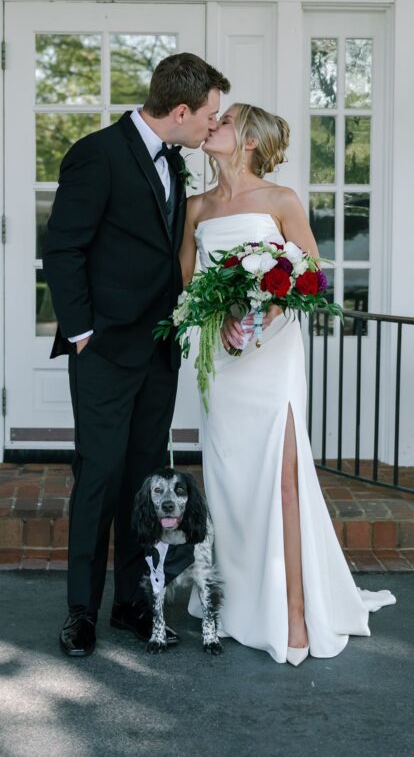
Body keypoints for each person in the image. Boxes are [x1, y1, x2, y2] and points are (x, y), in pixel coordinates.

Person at [179, 103, 395, 666]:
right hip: (222, 360)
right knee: (228, 480)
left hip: (272, 353)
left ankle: (295, 612)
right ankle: (236, 602)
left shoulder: (280, 201)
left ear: (247, 140)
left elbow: (312, 274)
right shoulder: (196, 206)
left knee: (284, 479)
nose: (212, 127)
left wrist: (263, 315)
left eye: (223, 122)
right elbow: (185, 284)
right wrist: (215, 319)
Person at [43, 53, 230, 658]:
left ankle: (131, 604)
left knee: (147, 484)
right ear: (180, 111)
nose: (212, 126)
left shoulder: (176, 160)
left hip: (158, 350)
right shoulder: (97, 154)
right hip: (103, 348)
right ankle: (80, 612)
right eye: (209, 115)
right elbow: (64, 248)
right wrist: (80, 332)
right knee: (98, 476)